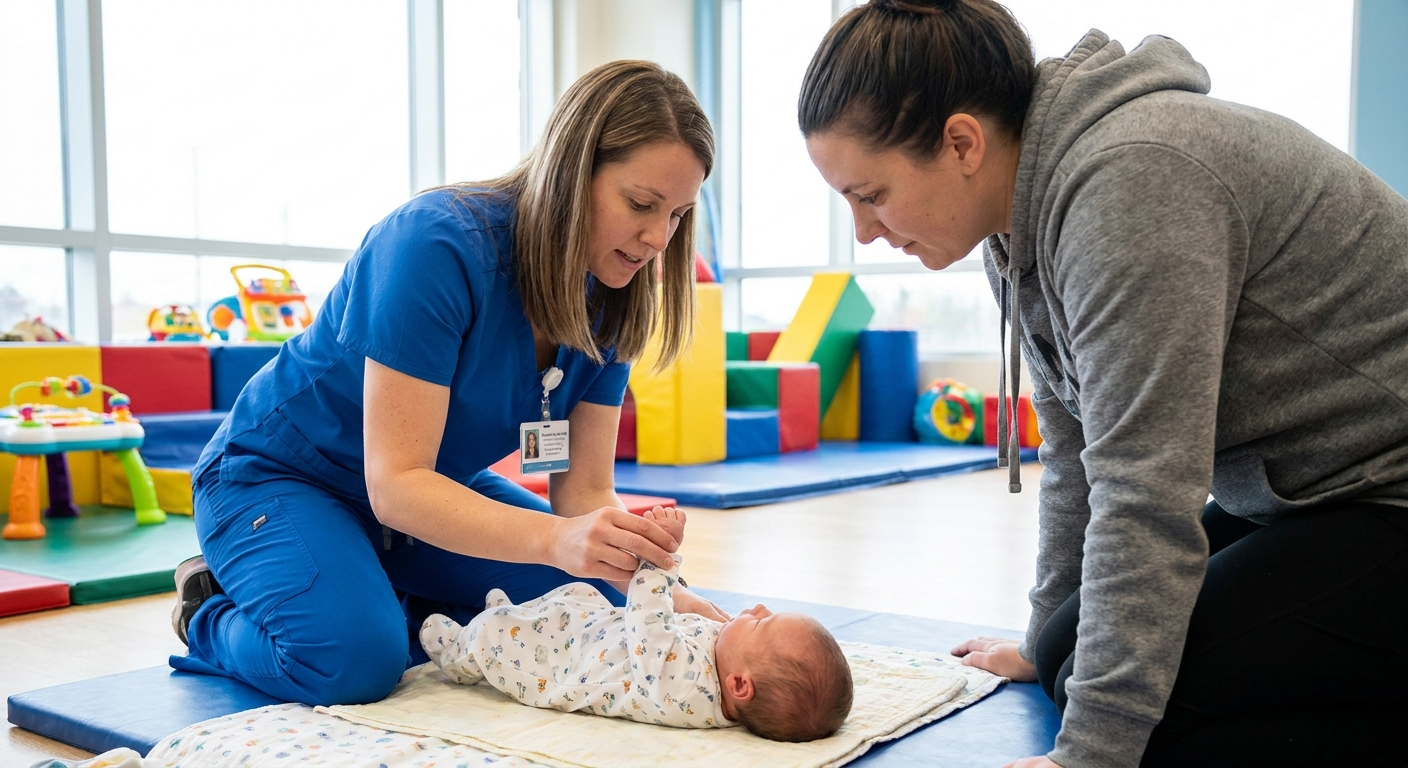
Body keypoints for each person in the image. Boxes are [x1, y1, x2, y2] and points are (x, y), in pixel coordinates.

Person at [798, 1, 1407, 766]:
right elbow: (1077, 449)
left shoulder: (1133, 186)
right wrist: (1042, 628)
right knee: (1063, 655)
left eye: (870, 194)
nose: (863, 230)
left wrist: (1089, 755)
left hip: (1388, 491)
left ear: (961, 142)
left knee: (1156, 719)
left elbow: (1145, 491)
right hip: (1305, 495)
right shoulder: (1014, 224)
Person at [169, 60, 732, 707]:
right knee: (356, 661)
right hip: (283, 476)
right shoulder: (435, 244)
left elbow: (583, 490)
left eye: (678, 216)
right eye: (641, 205)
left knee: (594, 599)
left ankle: (374, 588)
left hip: (425, 498)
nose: (658, 238)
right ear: (573, 173)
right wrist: (559, 540)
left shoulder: (612, 298)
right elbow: (397, 484)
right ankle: (206, 610)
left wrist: (662, 592)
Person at [421, 506, 854, 742]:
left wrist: (660, 561)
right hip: (588, 631)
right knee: (576, 596)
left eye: (761, 624)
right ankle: (508, 612)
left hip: (555, 666)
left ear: (741, 686)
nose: (756, 609)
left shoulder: (683, 693)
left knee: (499, 638)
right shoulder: (723, 668)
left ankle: (458, 651)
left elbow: (649, 620)